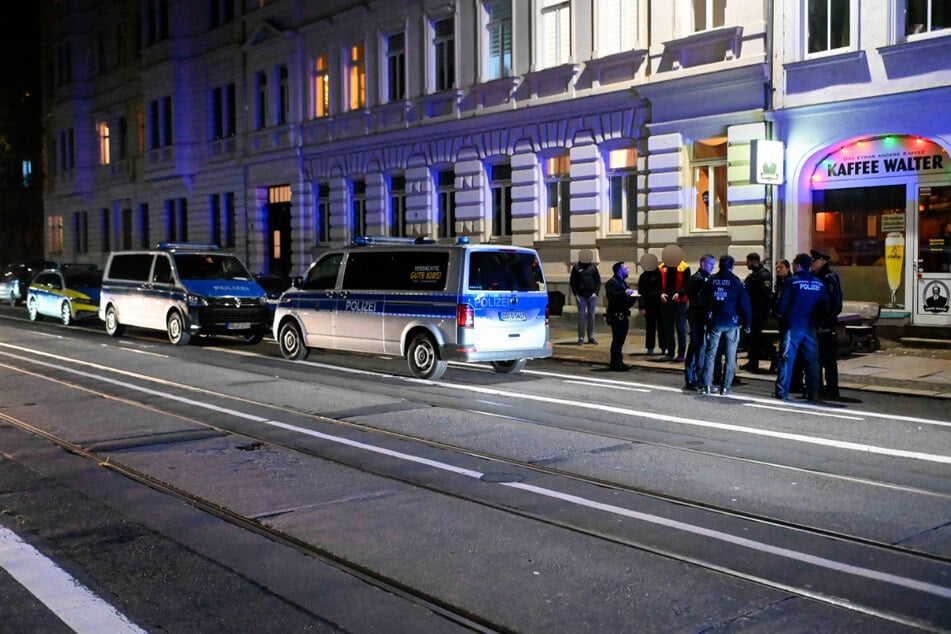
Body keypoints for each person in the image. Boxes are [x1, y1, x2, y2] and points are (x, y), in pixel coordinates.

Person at [774, 253, 828, 401]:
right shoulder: (820, 284)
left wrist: (780, 316)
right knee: (812, 362)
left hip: (793, 326)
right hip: (810, 326)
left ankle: (782, 391)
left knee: (786, 359)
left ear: (798, 265)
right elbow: (825, 306)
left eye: (793, 264)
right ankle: (814, 392)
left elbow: (781, 306)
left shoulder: (791, 282)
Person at [699, 255, 751, 396]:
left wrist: (705, 318)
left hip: (715, 321)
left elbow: (702, 302)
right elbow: (745, 304)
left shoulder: (711, 281)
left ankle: (706, 385)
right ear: (732, 266)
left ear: (719, 265)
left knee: (710, 354)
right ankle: (726, 387)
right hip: (731, 322)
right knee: (730, 356)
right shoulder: (736, 282)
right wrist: (747, 323)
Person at [811, 249, 843, 400]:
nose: (812, 263)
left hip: (826, 324)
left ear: (822, 261)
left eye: (815, 260)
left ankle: (832, 389)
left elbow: (836, 304)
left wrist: (825, 321)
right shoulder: (815, 277)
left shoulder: (829, 277)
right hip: (816, 323)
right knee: (817, 358)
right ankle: (819, 387)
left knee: (828, 359)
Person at [683, 254, 715, 390]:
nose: (712, 267)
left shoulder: (706, 278)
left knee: (696, 346)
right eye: (710, 265)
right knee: (698, 347)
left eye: (713, 265)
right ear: (702, 264)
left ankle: (693, 377)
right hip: (697, 317)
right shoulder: (697, 279)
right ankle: (696, 378)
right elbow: (698, 300)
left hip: (700, 317)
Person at [742, 252, 773, 373]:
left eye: (748, 261)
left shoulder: (764, 275)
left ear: (754, 261)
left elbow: (765, 295)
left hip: (760, 311)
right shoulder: (753, 276)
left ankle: (773, 357)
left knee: (757, 336)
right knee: (752, 337)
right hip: (752, 311)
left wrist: (757, 311)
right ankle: (753, 362)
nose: (746, 264)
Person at [605, 261, 638, 371]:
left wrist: (633, 297)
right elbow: (611, 296)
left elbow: (626, 303)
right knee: (617, 340)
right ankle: (615, 363)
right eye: (625, 268)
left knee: (621, 340)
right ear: (619, 270)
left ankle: (619, 361)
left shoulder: (623, 283)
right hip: (616, 315)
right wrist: (625, 293)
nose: (627, 270)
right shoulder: (612, 283)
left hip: (623, 314)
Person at [658, 252, 690, 361]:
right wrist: (660, 294)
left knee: (680, 327)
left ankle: (681, 354)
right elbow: (657, 284)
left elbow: (687, 284)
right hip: (666, 301)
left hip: (680, 301)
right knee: (668, 328)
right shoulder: (661, 268)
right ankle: (670, 353)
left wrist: (680, 294)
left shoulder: (684, 267)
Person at [569, 249, 601, 344]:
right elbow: (572, 282)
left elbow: (598, 281)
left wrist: (596, 292)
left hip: (591, 295)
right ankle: (581, 338)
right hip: (581, 296)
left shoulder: (593, 268)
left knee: (592, 317)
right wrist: (576, 294)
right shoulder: (576, 268)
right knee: (582, 318)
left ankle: (591, 337)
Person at [636, 254, 665, 355]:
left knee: (662, 326)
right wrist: (641, 305)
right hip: (649, 304)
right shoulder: (643, 276)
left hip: (659, 303)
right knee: (650, 327)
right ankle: (650, 347)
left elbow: (662, 288)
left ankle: (664, 347)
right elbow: (640, 292)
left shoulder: (659, 274)